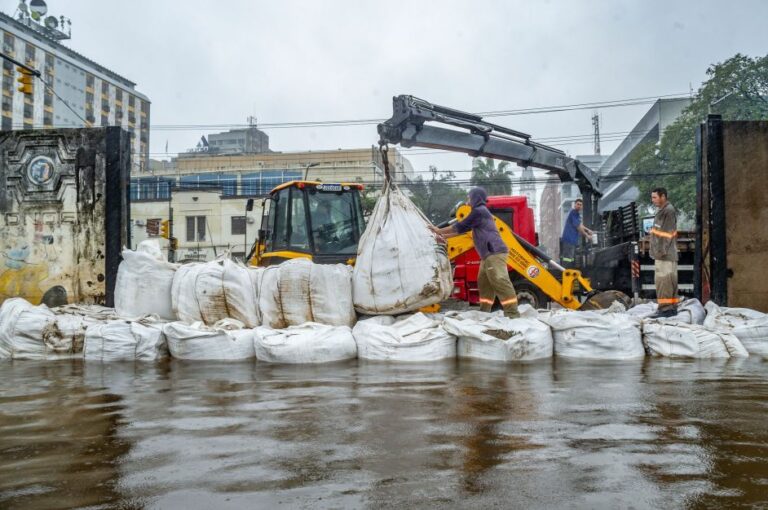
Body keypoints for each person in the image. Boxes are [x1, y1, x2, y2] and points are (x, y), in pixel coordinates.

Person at [428, 187, 520, 318]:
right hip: (487, 255)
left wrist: (438, 230)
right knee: (484, 282)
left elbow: (458, 227)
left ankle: (512, 313)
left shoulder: (479, 211)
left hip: (494, 252)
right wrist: (442, 237)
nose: (467, 200)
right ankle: (485, 311)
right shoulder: (479, 214)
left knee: (500, 280)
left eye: (469, 197)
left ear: (476, 198)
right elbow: (463, 230)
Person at [649, 187, 678, 318]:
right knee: (668, 281)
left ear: (663, 197)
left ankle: (666, 309)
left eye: (655, 197)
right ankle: (670, 308)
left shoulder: (668, 211)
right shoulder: (663, 211)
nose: (652, 200)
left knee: (664, 281)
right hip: (664, 254)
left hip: (664, 255)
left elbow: (666, 235)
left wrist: (660, 253)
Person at [560, 198, 593, 268]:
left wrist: (588, 230)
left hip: (572, 240)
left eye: (580, 205)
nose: (579, 206)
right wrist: (587, 235)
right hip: (569, 239)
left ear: (582, 206)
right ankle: (566, 272)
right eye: (578, 204)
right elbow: (578, 227)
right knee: (568, 258)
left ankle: (569, 272)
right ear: (575, 205)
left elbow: (580, 224)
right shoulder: (573, 212)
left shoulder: (576, 214)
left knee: (571, 258)